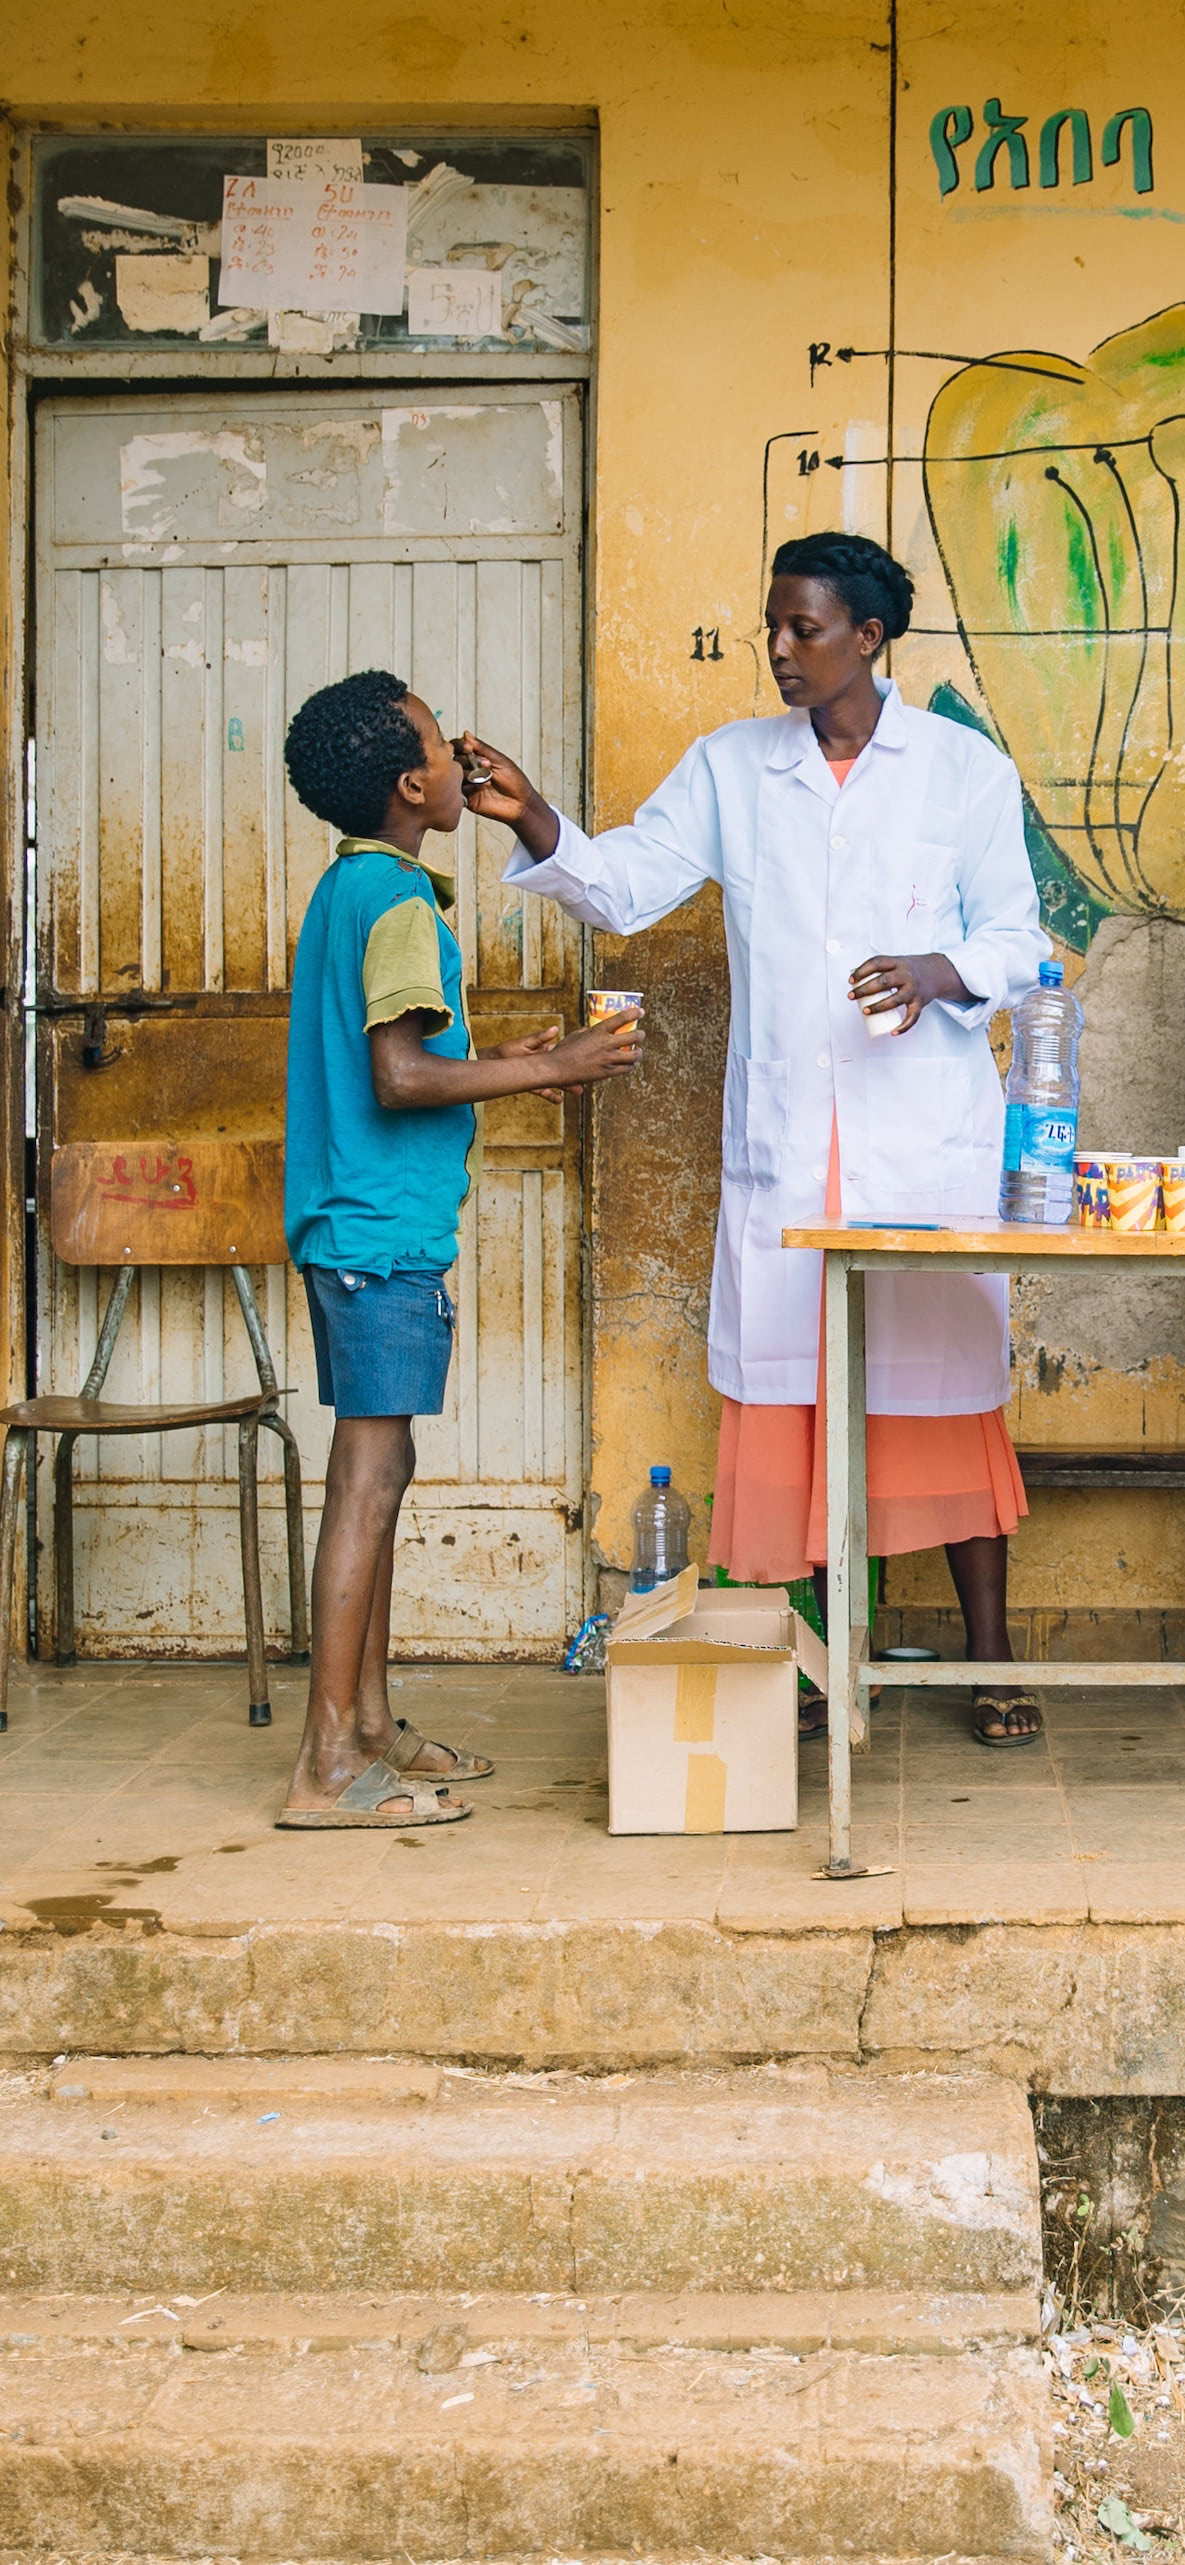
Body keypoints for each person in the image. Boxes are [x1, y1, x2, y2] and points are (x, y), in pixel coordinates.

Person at [460, 531, 1051, 1749]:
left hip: (918, 1144)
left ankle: (990, 1660)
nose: (779, 650)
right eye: (772, 627)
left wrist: (945, 968)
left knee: (943, 1404)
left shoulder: (961, 772)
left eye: (805, 629)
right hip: (793, 1143)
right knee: (806, 1417)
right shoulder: (734, 769)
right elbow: (624, 885)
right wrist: (536, 819)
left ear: (870, 638)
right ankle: (838, 1674)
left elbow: (1018, 938)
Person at [278, 671, 643, 1827]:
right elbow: (400, 1075)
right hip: (379, 1237)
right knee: (368, 1481)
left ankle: (372, 1727)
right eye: (442, 743)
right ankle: (329, 1764)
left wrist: (511, 1049)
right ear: (411, 783)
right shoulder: (397, 908)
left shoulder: (357, 887)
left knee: (379, 1475)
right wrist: (552, 1068)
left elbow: (411, 1057)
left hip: (358, 1229)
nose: (459, 754)